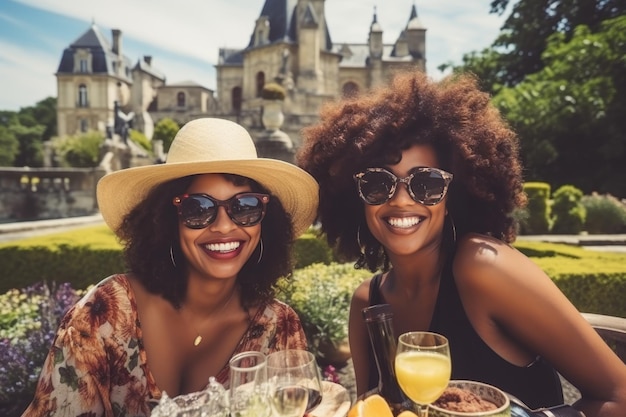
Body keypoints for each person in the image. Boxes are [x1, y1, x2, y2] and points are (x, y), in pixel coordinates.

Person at [296, 70, 626, 416]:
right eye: (378, 184)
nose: (402, 200)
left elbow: (618, 395)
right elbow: (375, 409)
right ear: (356, 197)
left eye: (426, 183)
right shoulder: (368, 302)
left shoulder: (482, 268)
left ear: (453, 195)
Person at [22, 118, 319, 416]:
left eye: (246, 206)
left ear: (265, 219)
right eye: (198, 209)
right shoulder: (107, 313)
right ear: (167, 219)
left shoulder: (277, 327)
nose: (224, 226)